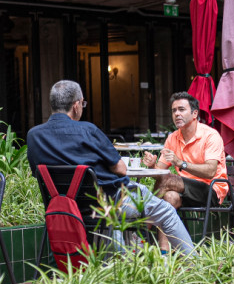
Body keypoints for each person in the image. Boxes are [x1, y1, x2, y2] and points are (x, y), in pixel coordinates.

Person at [26, 80, 194, 254]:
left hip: (64, 208)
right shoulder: (88, 130)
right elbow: (121, 168)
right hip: (108, 205)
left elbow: (37, 173)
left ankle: (126, 256)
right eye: (82, 104)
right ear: (76, 106)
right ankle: (193, 262)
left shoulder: (34, 136)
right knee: (166, 212)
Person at [143, 92, 228, 250]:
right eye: (174, 110)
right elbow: (159, 173)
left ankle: (142, 230)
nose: (177, 114)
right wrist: (152, 166)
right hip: (183, 190)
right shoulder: (173, 138)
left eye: (181, 109)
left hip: (211, 189)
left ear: (194, 114)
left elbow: (210, 171)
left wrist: (180, 163)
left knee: (169, 180)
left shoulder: (210, 136)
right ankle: (164, 253)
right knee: (169, 197)